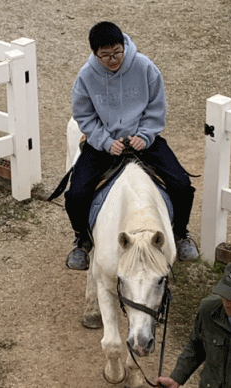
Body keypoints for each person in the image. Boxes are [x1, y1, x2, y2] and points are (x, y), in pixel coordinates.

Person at [65, 21, 198, 270]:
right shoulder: (85, 76)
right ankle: (82, 240)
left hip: (144, 141)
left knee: (182, 186)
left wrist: (145, 136)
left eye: (116, 52)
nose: (112, 59)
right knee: (76, 194)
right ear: (95, 53)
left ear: (123, 46)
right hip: (104, 144)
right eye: (104, 55)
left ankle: (181, 234)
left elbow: (156, 108)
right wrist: (106, 142)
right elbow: (84, 116)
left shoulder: (146, 68)